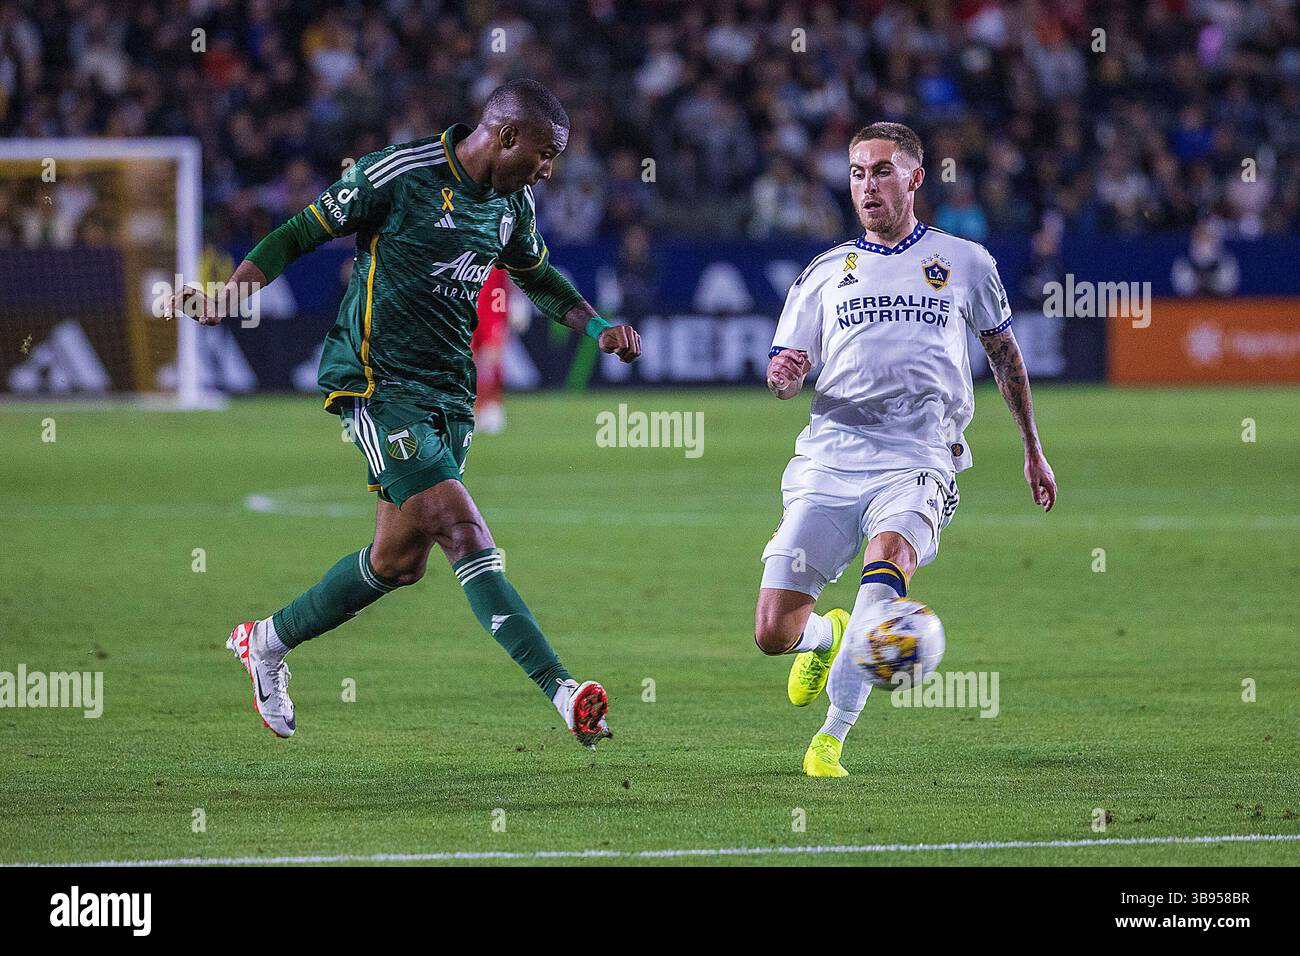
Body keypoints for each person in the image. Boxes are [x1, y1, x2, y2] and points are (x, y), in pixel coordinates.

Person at [170, 79, 641, 749]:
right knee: (462, 530)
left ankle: (264, 641)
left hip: (449, 393)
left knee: (398, 562)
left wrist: (598, 329)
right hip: (376, 382)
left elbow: (538, 276)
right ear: (506, 137)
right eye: (544, 153)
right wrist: (230, 295)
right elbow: (300, 231)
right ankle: (565, 694)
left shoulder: (513, 206)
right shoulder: (398, 173)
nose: (548, 169)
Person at [755, 122, 1057, 776]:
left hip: (920, 460)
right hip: (831, 461)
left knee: (887, 570)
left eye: (883, 171)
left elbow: (1006, 358)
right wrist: (784, 376)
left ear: (916, 179)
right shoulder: (825, 272)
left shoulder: (967, 263)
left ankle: (829, 740)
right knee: (772, 631)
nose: (868, 185)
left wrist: (1032, 447)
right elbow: (786, 359)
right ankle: (824, 635)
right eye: (859, 173)